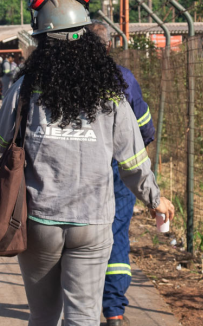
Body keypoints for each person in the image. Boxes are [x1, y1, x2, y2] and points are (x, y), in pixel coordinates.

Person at [0, 0, 175, 325]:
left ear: (41, 41)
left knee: (43, 316)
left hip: (39, 221)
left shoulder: (25, 87)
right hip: (92, 223)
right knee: (84, 316)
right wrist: (155, 199)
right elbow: (133, 162)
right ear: (86, 37)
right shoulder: (111, 93)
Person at [86, 22, 156, 326]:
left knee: (79, 235)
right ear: (110, 46)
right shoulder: (124, 79)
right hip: (119, 167)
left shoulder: (69, 78)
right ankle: (113, 311)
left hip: (82, 166)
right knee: (115, 234)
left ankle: (82, 308)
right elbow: (146, 131)